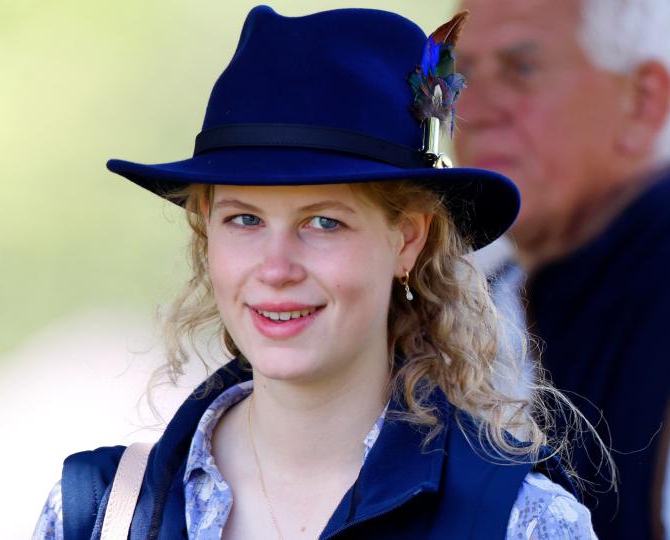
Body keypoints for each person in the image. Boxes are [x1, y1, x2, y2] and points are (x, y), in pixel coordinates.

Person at [30, 6, 603, 540]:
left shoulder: (518, 522)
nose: (276, 268)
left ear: (408, 240)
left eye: (324, 223)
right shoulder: (101, 514)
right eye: (245, 219)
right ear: (207, 234)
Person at [451, 1, 670, 539]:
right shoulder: (473, 310)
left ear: (644, 102)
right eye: (461, 72)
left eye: (522, 68)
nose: (471, 108)